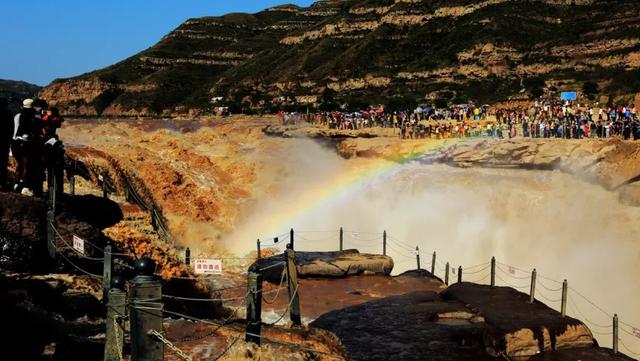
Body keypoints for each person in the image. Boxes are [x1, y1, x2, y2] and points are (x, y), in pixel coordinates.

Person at [0, 98, 13, 190]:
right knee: (3, 162)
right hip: (4, 141)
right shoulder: (9, 114)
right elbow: (11, 129)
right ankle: (2, 183)